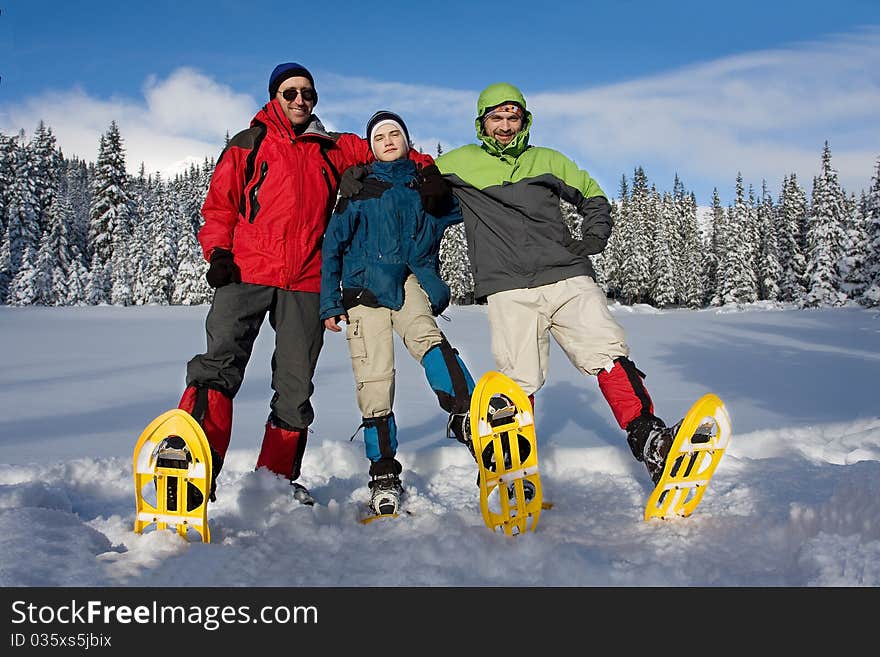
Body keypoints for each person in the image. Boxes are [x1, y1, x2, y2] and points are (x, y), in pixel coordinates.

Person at [177, 63, 439, 506]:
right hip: (246, 270)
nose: (300, 100)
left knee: (296, 384)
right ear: (274, 96)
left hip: (305, 280)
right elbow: (220, 205)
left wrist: (427, 171)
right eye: (291, 92)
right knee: (218, 366)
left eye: (308, 94)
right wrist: (218, 253)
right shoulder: (250, 143)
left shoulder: (330, 147)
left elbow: (390, 148)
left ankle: (275, 482)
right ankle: (192, 467)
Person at [429, 82, 679, 485]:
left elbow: (593, 196)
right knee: (518, 379)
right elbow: (410, 185)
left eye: (513, 117)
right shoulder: (457, 163)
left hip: (566, 276)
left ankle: (650, 440)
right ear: (482, 123)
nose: (506, 126)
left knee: (607, 353)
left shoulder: (547, 160)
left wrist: (593, 237)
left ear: (524, 121)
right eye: (497, 117)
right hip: (508, 288)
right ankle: (511, 463)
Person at [320, 111, 476, 516]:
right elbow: (331, 246)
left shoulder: (424, 184)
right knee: (374, 379)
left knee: (427, 338)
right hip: (363, 290)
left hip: (408, 282)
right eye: (379, 137)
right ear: (371, 147)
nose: (388, 140)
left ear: (408, 141)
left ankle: (469, 416)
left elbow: (469, 211)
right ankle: (383, 473)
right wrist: (329, 302)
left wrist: (442, 186)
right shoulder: (359, 188)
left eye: (395, 134)